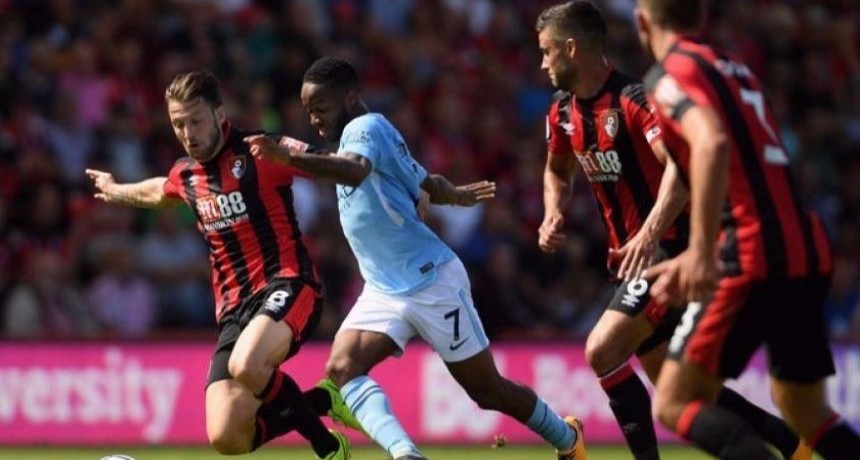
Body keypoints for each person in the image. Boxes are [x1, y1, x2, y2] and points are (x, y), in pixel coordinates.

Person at [245, 56, 587, 460]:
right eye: (308, 111)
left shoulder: (365, 128)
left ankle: (567, 437)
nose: (314, 119)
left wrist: (288, 159)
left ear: (350, 98)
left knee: (488, 391)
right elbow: (427, 182)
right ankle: (406, 454)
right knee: (342, 367)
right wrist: (454, 194)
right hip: (384, 288)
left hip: (431, 282)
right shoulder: (372, 136)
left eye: (320, 107)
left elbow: (354, 171)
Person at [536, 2, 814, 460]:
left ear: (571, 48)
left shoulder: (634, 99)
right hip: (629, 261)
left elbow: (680, 169)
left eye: (547, 52)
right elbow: (557, 171)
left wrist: (648, 234)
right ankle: (792, 445)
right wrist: (553, 211)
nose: (543, 63)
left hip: (668, 249)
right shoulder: (560, 111)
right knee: (676, 390)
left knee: (602, 350)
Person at [635, 1, 860, 459]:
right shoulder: (736, 69)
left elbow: (712, 141)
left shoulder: (669, 75)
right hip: (805, 246)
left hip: (753, 251)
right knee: (805, 408)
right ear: (700, 18)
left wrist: (701, 251)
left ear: (642, 21)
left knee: (675, 401)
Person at [86, 70, 350, 460]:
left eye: (195, 121)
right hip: (233, 311)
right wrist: (114, 190)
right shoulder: (186, 174)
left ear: (219, 115)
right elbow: (158, 191)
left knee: (248, 364)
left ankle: (329, 449)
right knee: (227, 436)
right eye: (178, 124)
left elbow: (330, 163)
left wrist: (388, 174)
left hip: (288, 284)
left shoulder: (261, 150)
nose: (187, 133)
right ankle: (324, 400)